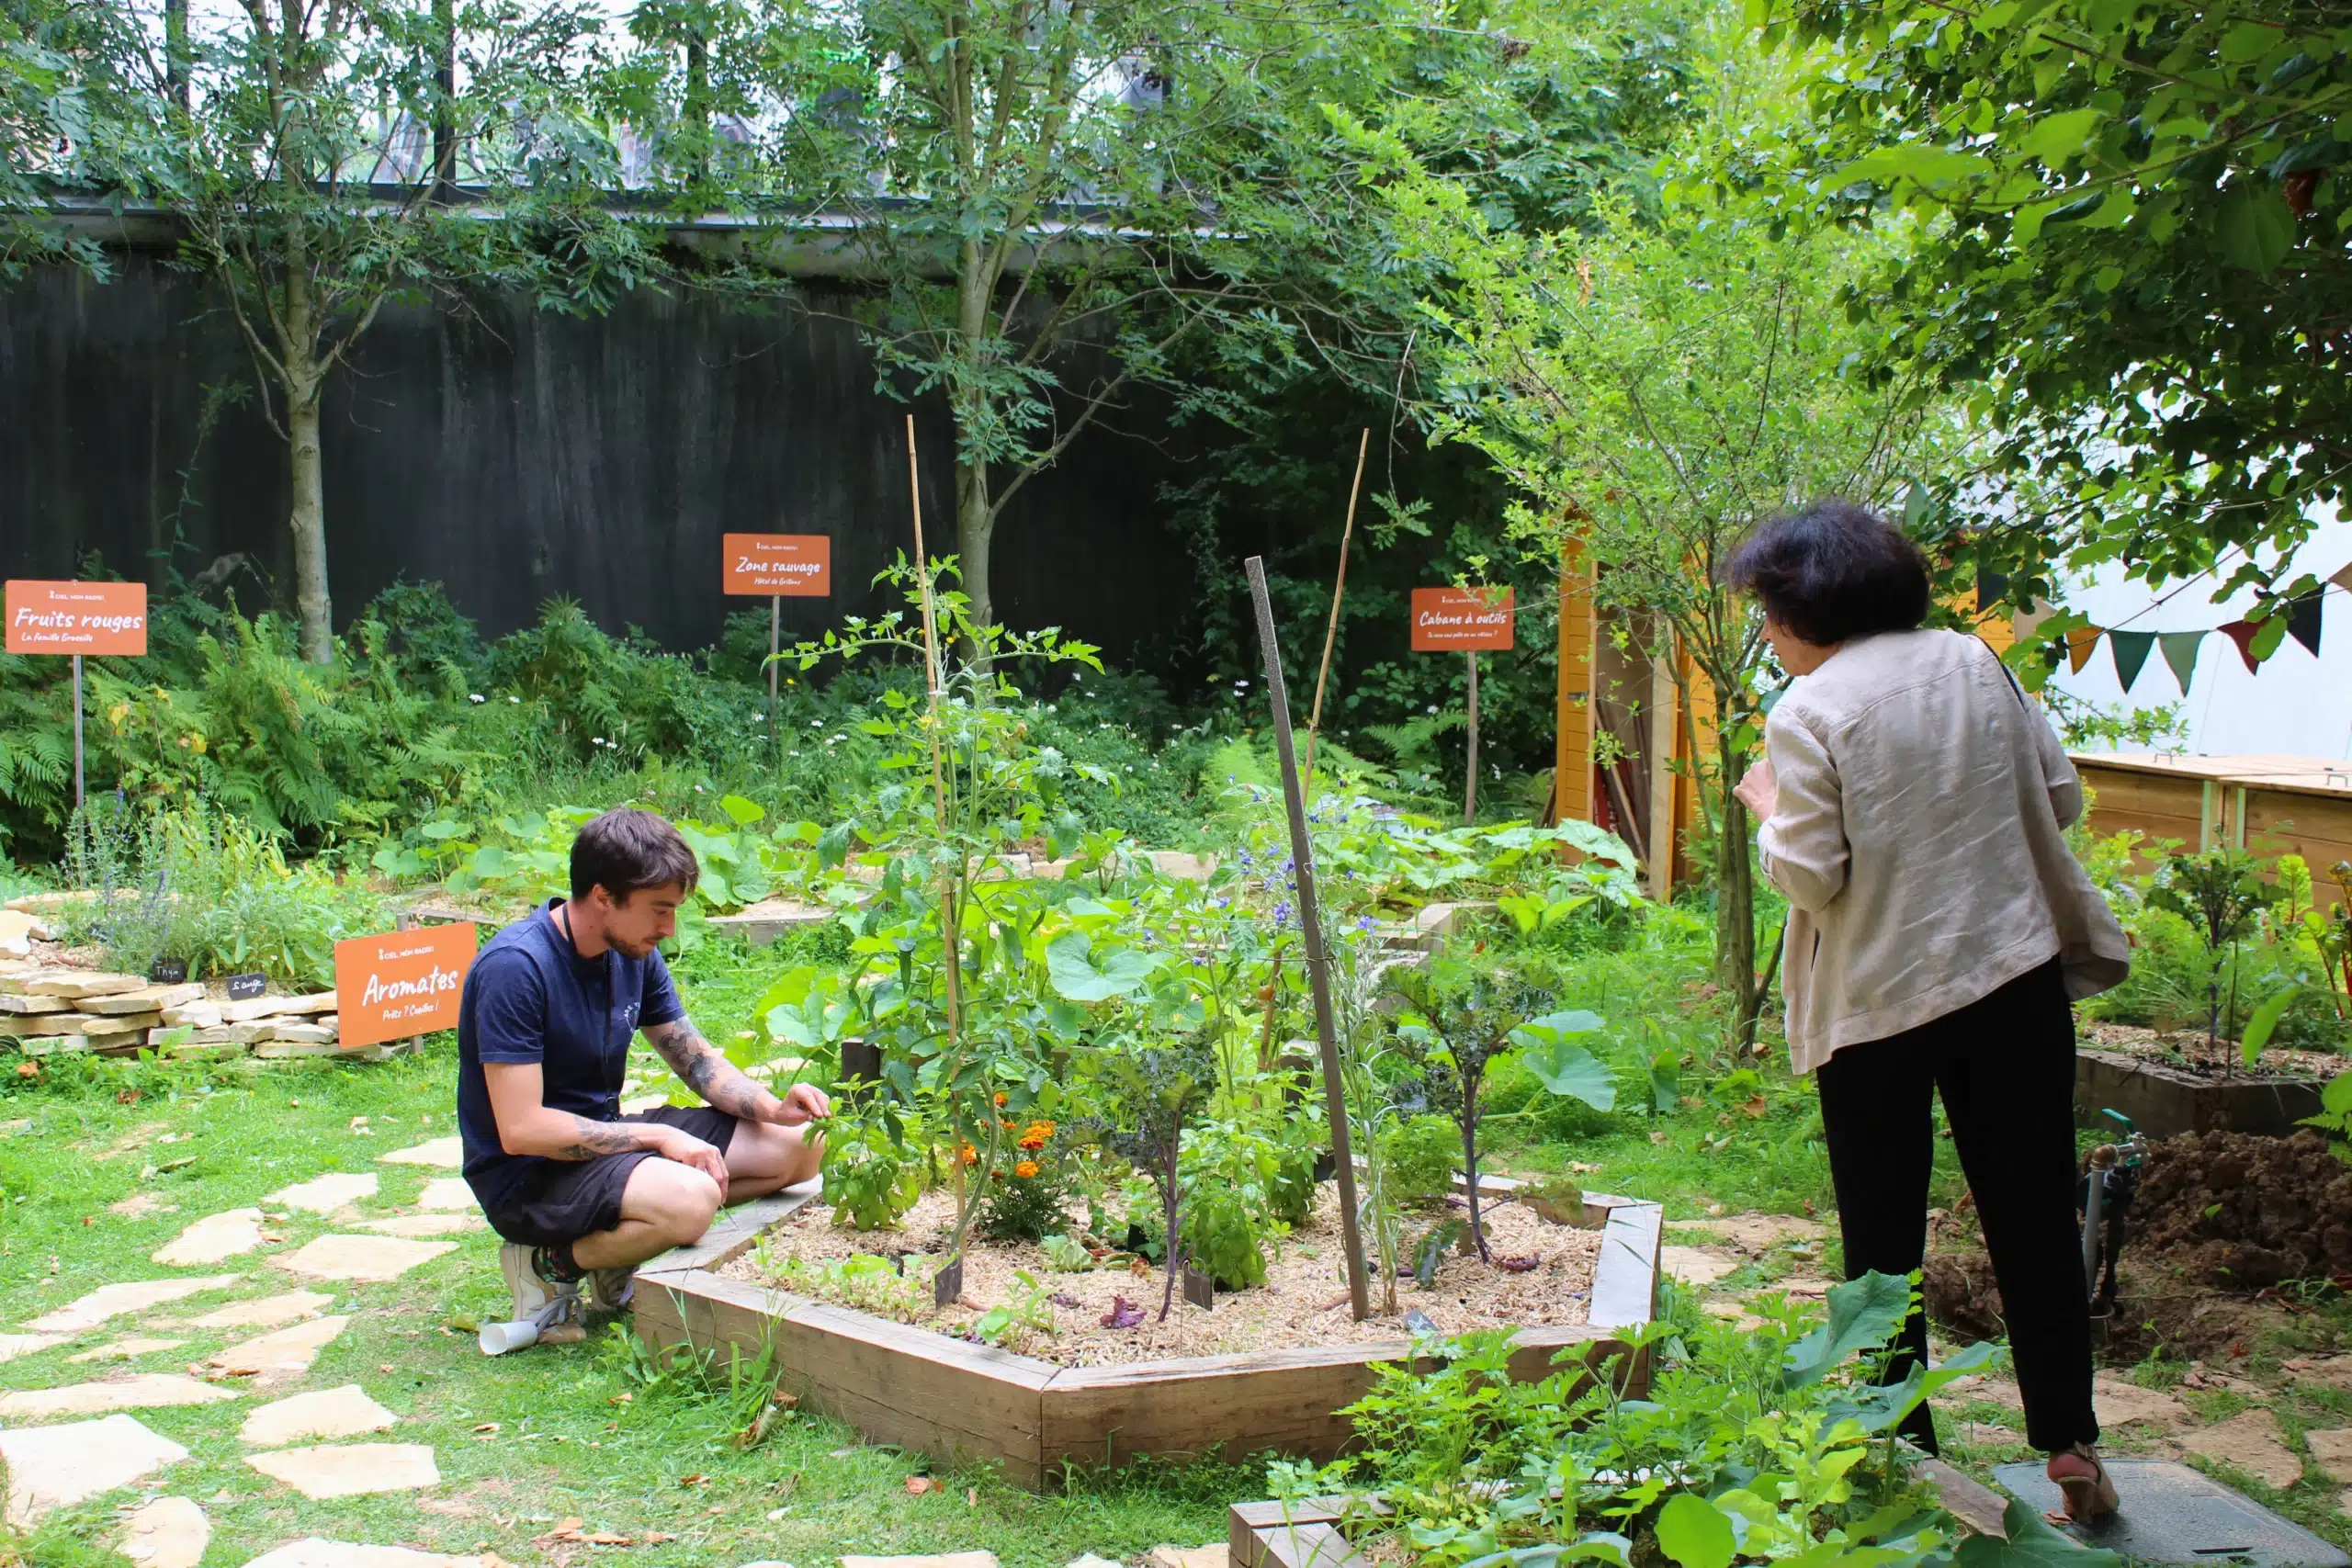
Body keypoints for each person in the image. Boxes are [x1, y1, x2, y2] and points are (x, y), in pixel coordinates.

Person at [1727, 501, 2131, 1524]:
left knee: (1881, 1242)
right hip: (2011, 977)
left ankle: (1896, 1452)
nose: (1768, 636)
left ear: (1809, 608)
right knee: (2034, 1214)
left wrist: (1768, 809)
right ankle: (2069, 1447)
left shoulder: (1807, 712)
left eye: (1768, 614)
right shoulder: (1970, 660)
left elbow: (1813, 879)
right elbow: (2061, 796)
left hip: (1880, 1004)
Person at [458, 807, 829, 1341]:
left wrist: (773, 1108)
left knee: (800, 1145)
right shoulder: (516, 968)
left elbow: (696, 1060)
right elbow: (523, 1131)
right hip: (528, 1175)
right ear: (604, 896)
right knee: (691, 1200)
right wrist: (660, 1136)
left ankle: (616, 1257)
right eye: (659, 909)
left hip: (606, 1145)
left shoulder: (631, 951)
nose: (669, 928)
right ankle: (547, 1266)